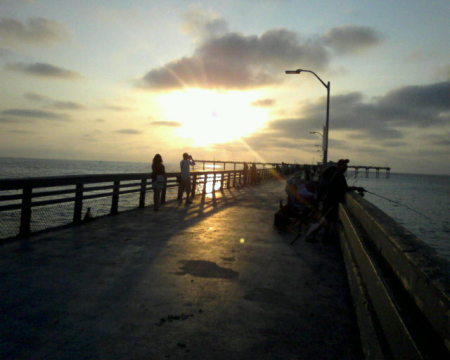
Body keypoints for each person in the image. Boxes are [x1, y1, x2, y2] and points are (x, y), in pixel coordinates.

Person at [319, 159, 365, 240]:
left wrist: (356, 188)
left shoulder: (337, 174)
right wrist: (357, 188)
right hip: (331, 202)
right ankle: (326, 239)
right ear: (339, 166)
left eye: (346, 166)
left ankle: (326, 238)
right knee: (330, 221)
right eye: (344, 166)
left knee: (329, 220)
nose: (346, 168)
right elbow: (345, 188)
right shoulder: (339, 175)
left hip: (329, 201)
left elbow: (343, 188)